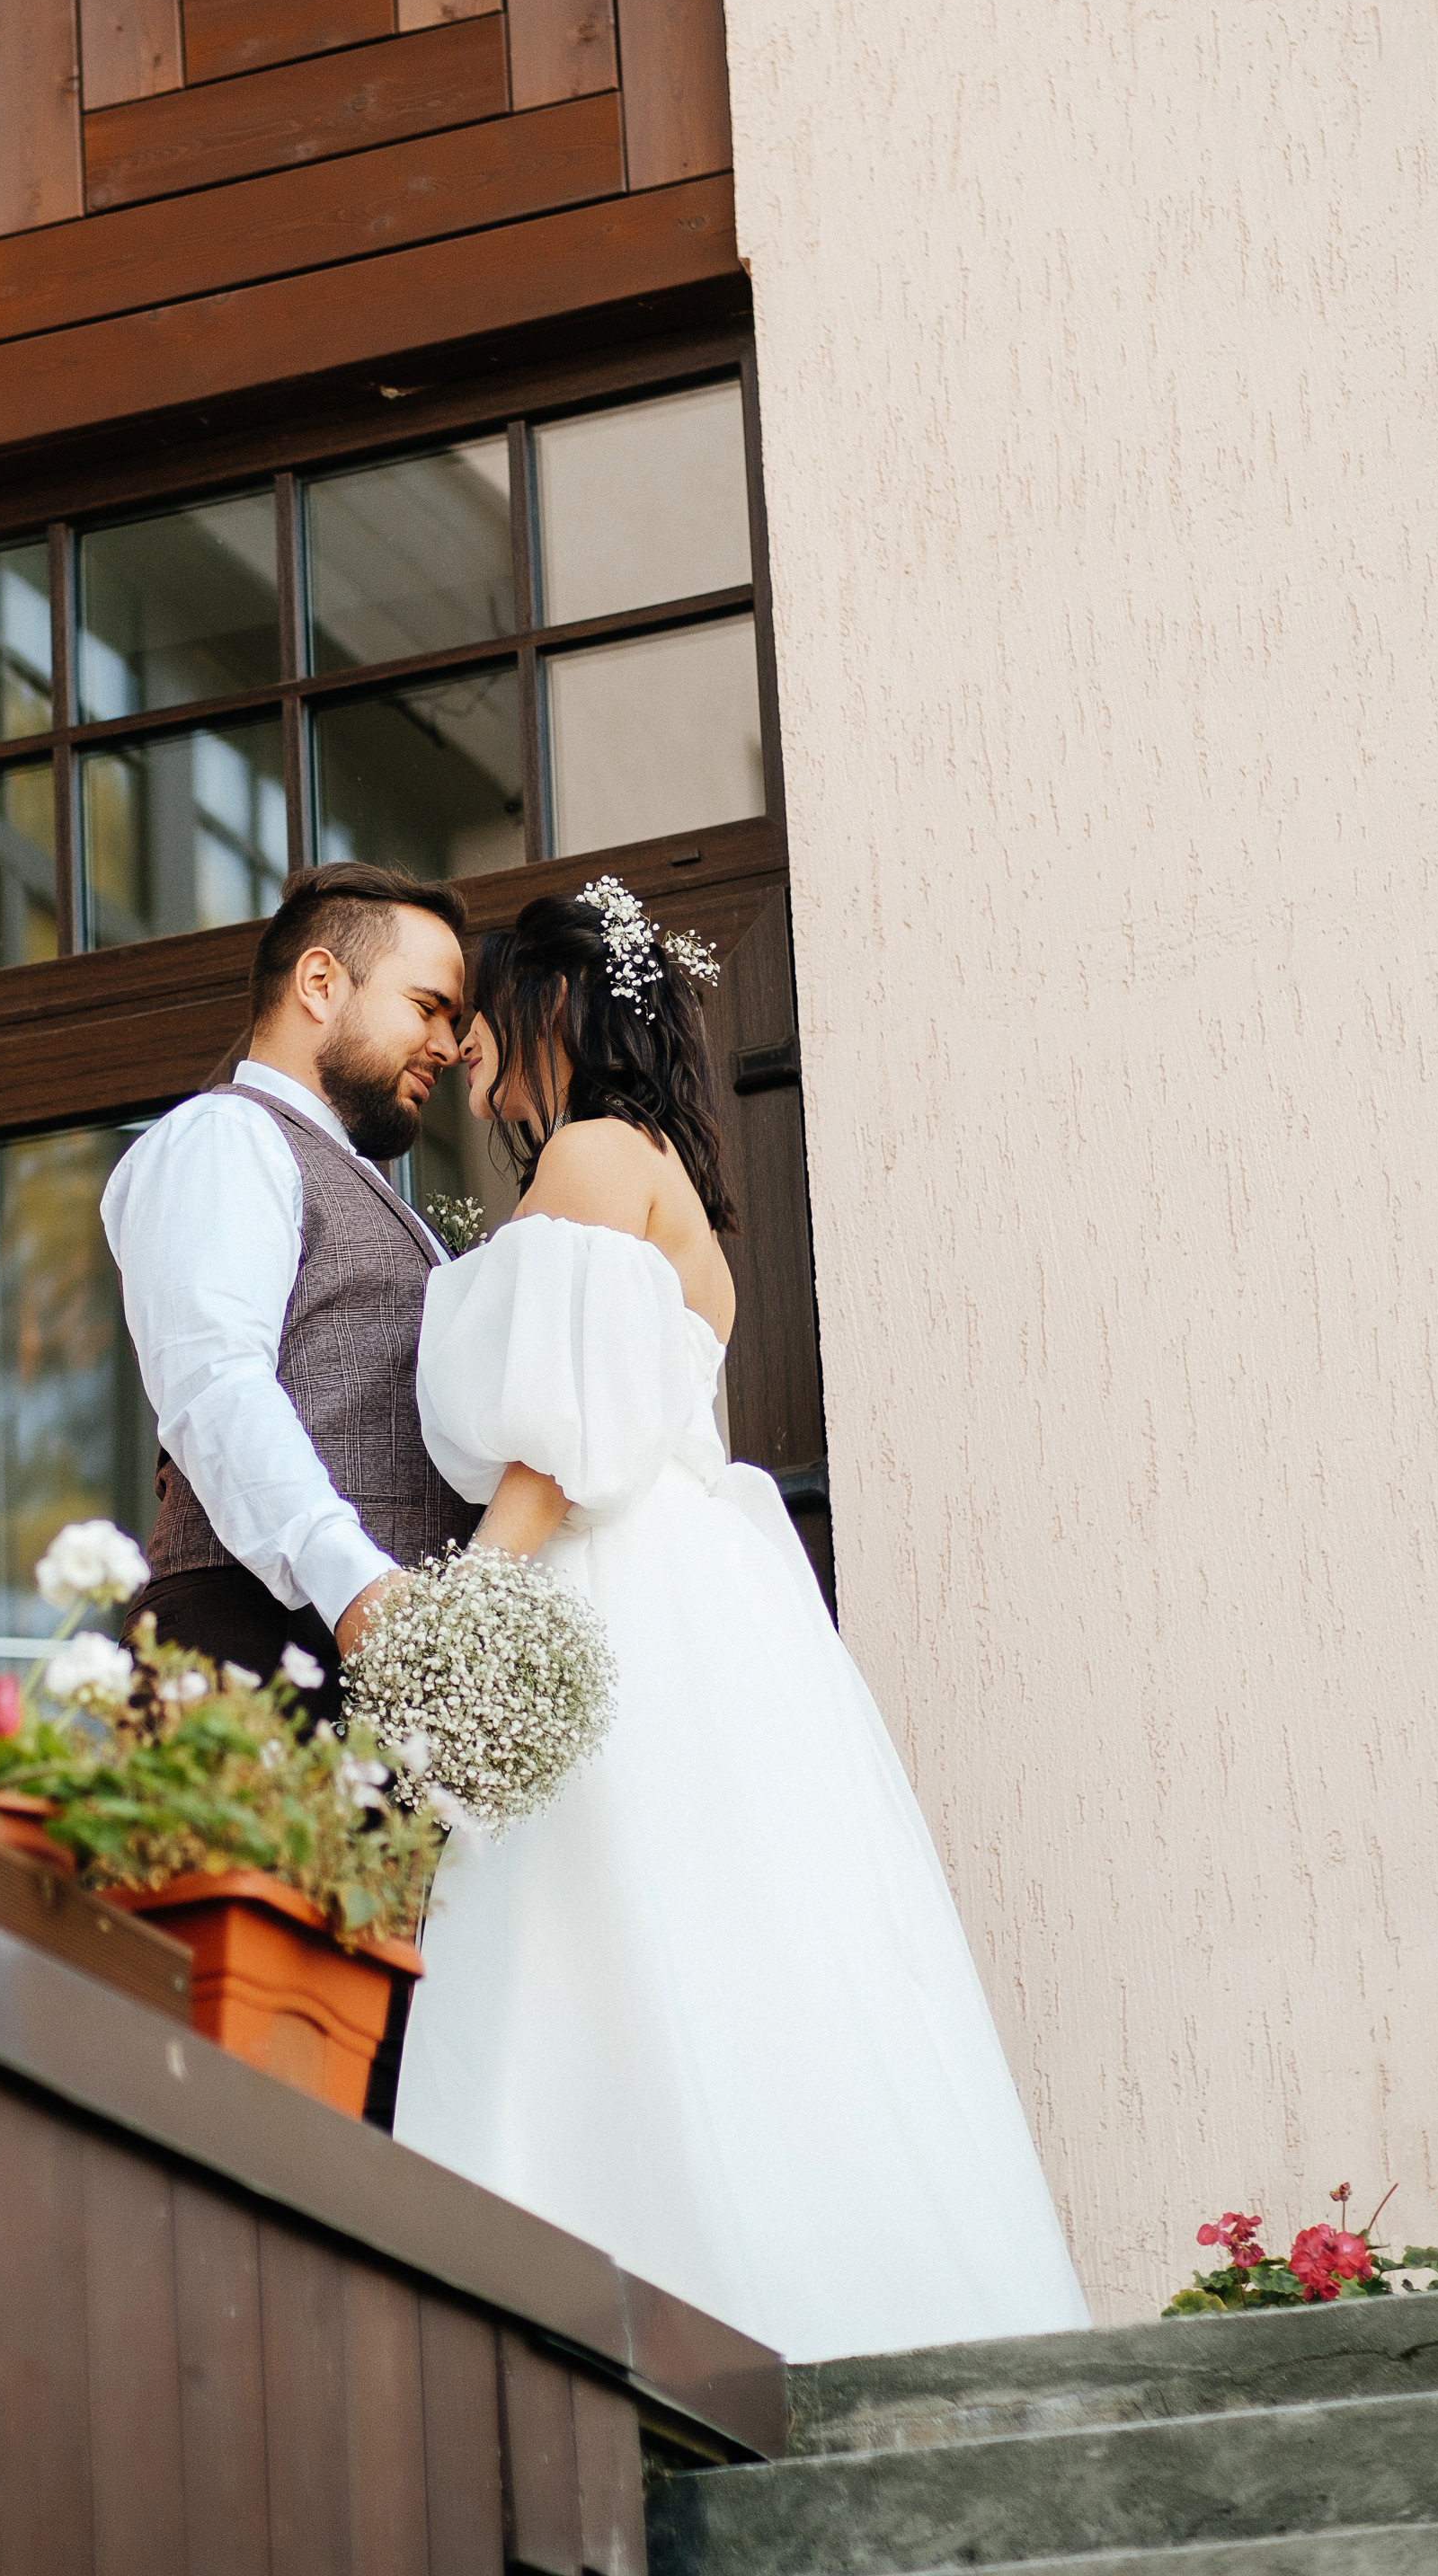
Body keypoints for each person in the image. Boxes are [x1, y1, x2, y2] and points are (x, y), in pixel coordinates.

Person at [388, 881, 1091, 2360]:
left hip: (604, 1588)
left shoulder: (589, 1154)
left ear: (551, 1008)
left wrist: (450, 1651)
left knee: (594, 1955)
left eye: (482, 1017)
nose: (463, 1058)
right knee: (710, 1958)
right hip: (699, 1602)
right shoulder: (668, 1182)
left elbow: (554, 1443)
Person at [102, 861, 479, 1717]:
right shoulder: (224, 1135)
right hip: (252, 1648)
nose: (449, 1046)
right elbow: (215, 1382)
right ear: (320, 982)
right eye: (427, 1007)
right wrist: (356, 1587)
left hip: (365, 1662)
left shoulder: (371, 1191)